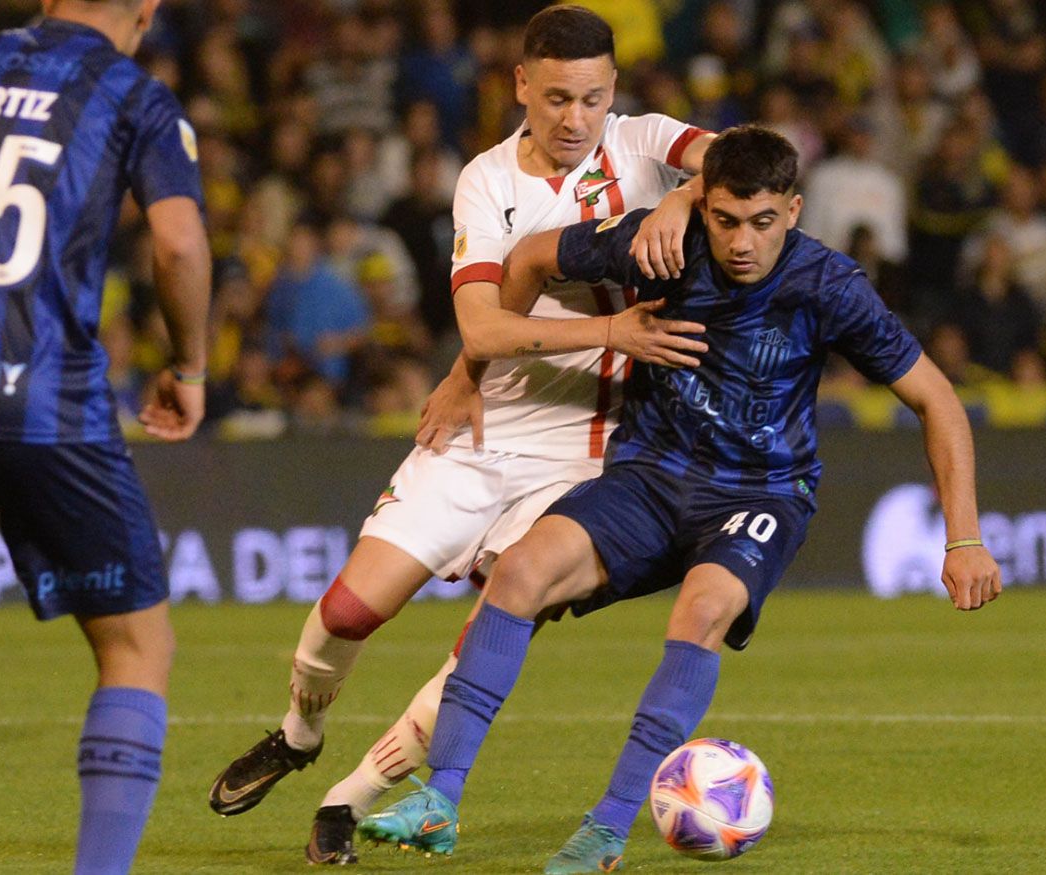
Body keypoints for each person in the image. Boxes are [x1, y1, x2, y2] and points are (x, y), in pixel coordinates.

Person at [357, 125, 1003, 874]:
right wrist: (472, 372)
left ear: (793, 210)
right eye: (726, 219)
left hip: (758, 493)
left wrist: (963, 537)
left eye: (763, 222)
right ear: (704, 207)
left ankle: (605, 831)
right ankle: (441, 799)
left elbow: (938, 400)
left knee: (700, 607)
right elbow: (530, 256)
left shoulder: (830, 285)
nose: (742, 243)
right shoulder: (657, 244)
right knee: (520, 571)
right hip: (651, 476)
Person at [207, 5, 716, 865]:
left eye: (592, 99)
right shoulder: (484, 179)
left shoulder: (643, 144)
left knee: (490, 628)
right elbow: (480, 330)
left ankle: (350, 797)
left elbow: (752, 160)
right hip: (486, 421)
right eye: (556, 98)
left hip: (591, 451)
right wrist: (610, 333)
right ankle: (300, 734)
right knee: (346, 609)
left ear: (613, 91)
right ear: (520, 85)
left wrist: (689, 199)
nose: (574, 119)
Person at [0, 1, 210, 874]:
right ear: (147, 10)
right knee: (136, 644)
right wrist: (190, 366)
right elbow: (177, 242)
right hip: (45, 404)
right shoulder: (135, 94)